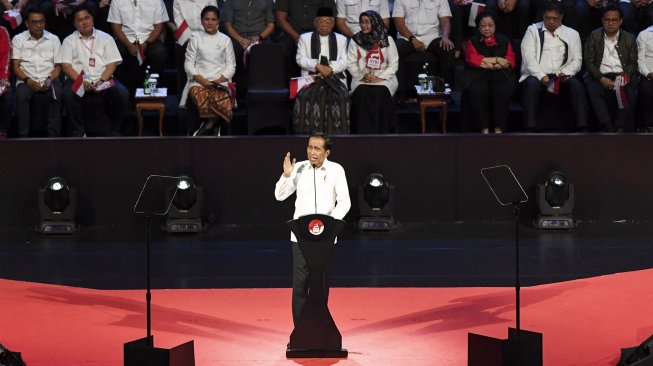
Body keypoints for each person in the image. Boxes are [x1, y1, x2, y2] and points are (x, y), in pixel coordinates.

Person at [274, 132, 351, 328]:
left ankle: (319, 328)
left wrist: (330, 226)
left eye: (317, 149)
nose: (312, 152)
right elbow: (279, 196)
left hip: (326, 237)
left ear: (327, 152)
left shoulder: (336, 170)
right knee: (300, 285)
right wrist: (286, 175)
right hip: (300, 237)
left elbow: (344, 202)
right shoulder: (298, 168)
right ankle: (299, 331)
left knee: (321, 285)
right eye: (309, 147)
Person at [57, 6, 129, 137]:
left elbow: (112, 64)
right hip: (78, 79)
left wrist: (102, 80)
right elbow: (66, 66)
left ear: (92, 19)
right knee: (68, 93)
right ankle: (77, 131)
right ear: (74, 24)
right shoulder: (69, 40)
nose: (84, 22)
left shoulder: (106, 38)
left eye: (87, 18)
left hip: (104, 78)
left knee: (122, 93)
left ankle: (115, 129)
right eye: (80, 20)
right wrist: (82, 81)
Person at [520, 0, 587, 131]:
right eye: (547, 18)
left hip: (562, 75)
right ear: (542, 16)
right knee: (532, 85)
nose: (551, 21)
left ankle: (582, 126)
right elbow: (528, 59)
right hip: (537, 75)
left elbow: (577, 61)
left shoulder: (572, 34)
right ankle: (530, 128)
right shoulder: (532, 30)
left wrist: (564, 74)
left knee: (577, 86)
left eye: (555, 18)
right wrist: (542, 76)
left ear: (561, 17)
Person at [180, 5, 236, 136]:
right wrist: (203, 81)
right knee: (201, 94)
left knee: (222, 97)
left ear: (218, 22)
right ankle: (214, 124)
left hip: (220, 81)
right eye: (207, 19)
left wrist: (218, 81)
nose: (210, 22)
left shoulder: (226, 40)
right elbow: (188, 65)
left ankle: (208, 125)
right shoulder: (195, 39)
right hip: (199, 81)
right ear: (201, 20)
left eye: (213, 19)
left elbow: (231, 66)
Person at [293, 7, 349, 134]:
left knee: (340, 97)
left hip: (335, 77)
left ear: (333, 24)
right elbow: (300, 59)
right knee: (305, 97)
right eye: (321, 22)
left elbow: (345, 62)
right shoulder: (304, 38)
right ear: (315, 23)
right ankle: (307, 133)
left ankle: (337, 134)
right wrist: (317, 66)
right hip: (312, 77)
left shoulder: (342, 39)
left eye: (328, 22)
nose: (324, 25)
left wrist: (330, 69)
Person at [584, 3, 638, 132]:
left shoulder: (629, 38)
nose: (610, 23)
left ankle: (619, 125)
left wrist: (623, 77)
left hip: (621, 75)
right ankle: (607, 125)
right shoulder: (594, 36)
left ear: (620, 21)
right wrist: (601, 78)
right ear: (602, 20)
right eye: (607, 20)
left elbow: (632, 64)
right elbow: (589, 62)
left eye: (614, 20)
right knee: (594, 89)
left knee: (629, 89)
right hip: (599, 75)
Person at [463, 10, 516, 134]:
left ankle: (499, 128)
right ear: (478, 26)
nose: (487, 29)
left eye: (490, 25)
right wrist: (498, 60)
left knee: (502, 91)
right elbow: (473, 59)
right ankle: (484, 129)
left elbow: (509, 61)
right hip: (478, 75)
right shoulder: (472, 41)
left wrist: (486, 61)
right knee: (478, 91)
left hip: (501, 74)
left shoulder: (504, 40)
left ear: (495, 26)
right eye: (483, 25)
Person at [12, 8, 62, 137]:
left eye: (41, 22)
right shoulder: (18, 39)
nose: (39, 25)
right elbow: (16, 66)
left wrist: (50, 79)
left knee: (58, 93)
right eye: (34, 22)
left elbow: (58, 66)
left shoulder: (54, 39)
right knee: (21, 95)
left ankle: (54, 135)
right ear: (27, 24)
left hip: (49, 79)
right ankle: (23, 135)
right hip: (27, 80)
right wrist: (27, 80)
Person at [393, 0, 455, 101]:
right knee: (396, 49)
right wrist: (413, 39)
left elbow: (445, 20)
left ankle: (445, 92)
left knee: (447, 49)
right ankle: (400, 93)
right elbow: (399, 24)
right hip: (408, 36)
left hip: (432, 36)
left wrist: (445, 37)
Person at [347, 10, 398, 133]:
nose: (364, 25)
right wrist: (362, 76)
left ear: (375, 22)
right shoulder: (355, 40)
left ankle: (384, 131)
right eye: (361, 22)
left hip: (384, 78)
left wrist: (380, 78)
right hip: (362, 77)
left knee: (381, 92)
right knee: (362, 93)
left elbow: (394, 64)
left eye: (367, 22)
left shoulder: (387, 39)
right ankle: (361, 132)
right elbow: (351, 63)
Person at [107, 0, 169, 95]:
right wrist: (129, 45)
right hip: (126, 38)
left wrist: (146, 43)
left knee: (159, 53)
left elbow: (159, 26)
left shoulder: (157, 1)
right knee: (115, 52)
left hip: (149, 38)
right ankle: (124, 93)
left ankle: (149, 90)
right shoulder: (117, 1)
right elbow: (115, 26)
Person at [274, 0, 337, 76]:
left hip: (317, 32)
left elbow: (329, 18)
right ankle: (289, 83)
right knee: (282, 48)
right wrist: (297, 37)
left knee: (324, 46)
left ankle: (321, 82)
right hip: (291, 32)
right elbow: (281, 19)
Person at [172, 0, 218, 101]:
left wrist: (203, 40)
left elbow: (214, 20)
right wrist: (191, 42)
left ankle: (210, 99)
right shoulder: (178, 1)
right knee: (182, 54)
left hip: (207, 36)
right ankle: (183, 101)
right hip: (186, 39)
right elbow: (179, 22)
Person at [223, 0, 275, 87]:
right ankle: (236, 90)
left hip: (260, 38)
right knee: (230, 52)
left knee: (270, 51)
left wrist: (259, 37)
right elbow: (228, 25)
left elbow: (271, 25)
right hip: (238, 38)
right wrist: (240, 39)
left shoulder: (267, 1)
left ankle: (265, 87)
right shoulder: (230, 2)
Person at [637, 21, 653, 130]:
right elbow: (640, 60)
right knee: (646, 90)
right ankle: (646, 126)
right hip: (649, 75)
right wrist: (648, 73)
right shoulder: (644, 34)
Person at [0, 24, 10, 138]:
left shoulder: (2, 31)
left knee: (7, 94)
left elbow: (5, 56)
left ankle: (2, 130)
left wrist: (4, 77)